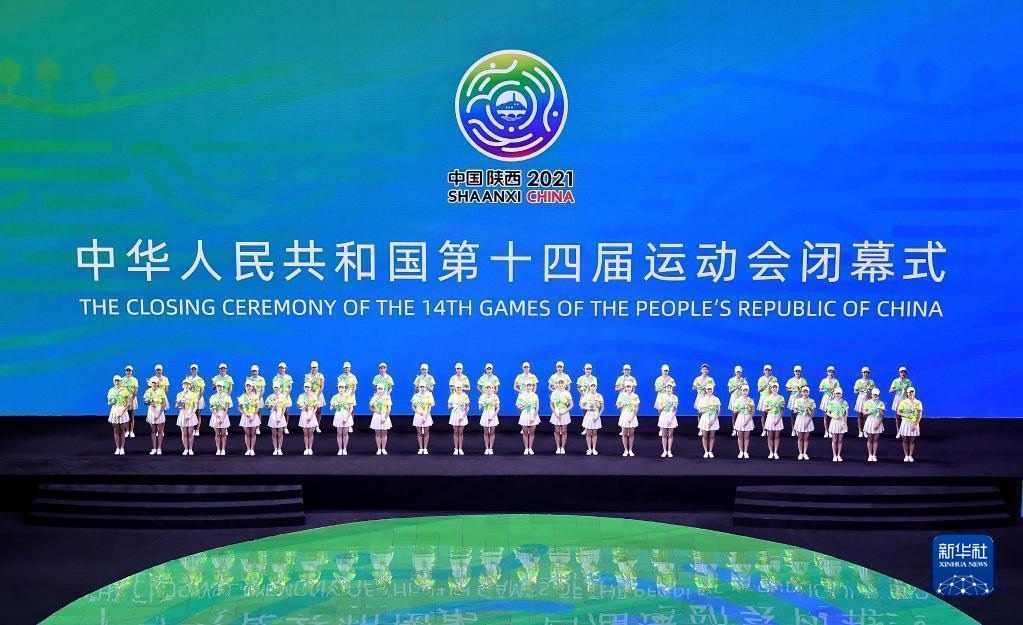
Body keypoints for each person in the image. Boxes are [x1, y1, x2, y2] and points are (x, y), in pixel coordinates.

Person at [142, 377, 168, 455]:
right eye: (153, 382)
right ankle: (154, 448)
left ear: (158, 383)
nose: (154, 384)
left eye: (155, 383)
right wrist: (149, 402)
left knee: (160, 430)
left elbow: (164, 404)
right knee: (153, 431)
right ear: (151, 383)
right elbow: (145, 402)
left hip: (159, 411)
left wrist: (159, 414)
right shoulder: (148, 391)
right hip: (151, 411)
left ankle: (159, 448)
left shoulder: (161, 391)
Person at [897, 387, 922, 462]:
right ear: (907, 393)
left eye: (912, 392)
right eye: (909, 392)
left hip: (914, 423)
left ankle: (910, 455)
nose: (911, 393)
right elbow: (898, 412)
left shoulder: (918, 402)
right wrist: (905, 415)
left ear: (914, 393)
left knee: (912, 441)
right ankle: (906, 455)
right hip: (905, 423)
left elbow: (919, 415)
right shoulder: (903, 402)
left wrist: (915, 424)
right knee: (905, 440)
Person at [106, 375, 130, 455]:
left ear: (121, 381)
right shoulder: (111, 390)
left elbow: (128, 403)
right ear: (113, 382)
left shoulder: (125, 390)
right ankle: (117, 448)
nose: (117, 382)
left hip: (122, 409)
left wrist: (122, 411)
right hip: (114, 410)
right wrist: (114, 399)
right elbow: (109, 403)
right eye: (115, 381)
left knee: (122, 429)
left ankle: (122, 448)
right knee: (116, 429)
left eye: (118, 380)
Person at [549, 378, 574, 454]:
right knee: (557, 431)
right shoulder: (554, 393)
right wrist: (555, 412)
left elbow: (571, 405)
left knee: (564, 431)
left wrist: (565, 411)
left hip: (564, 413)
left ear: (564, 384)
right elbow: (551, 404)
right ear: (557, 384)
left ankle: (562, 447)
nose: (560, 384)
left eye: (562, 383)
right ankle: (558, 447)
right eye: (559, 383)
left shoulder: (567, 393)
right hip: (556, 412)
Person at [266, 382, 291, 455]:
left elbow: (284, 408)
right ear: (273, 388)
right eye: (275, 387)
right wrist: (271, 406)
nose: (276, 389)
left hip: (280, 415)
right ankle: (275, 449)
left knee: (280, 433)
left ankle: (279, 449)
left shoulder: (283, 397)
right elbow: (267, 407)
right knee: (274, 433)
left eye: (277, 387)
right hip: (273, 414)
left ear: (279, 388)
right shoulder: (270, 397)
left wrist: (281, 416)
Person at [208, 381, 233, 456]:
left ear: (223, 388)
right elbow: (211, 408)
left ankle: (223, 449)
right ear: (216, 387)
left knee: (223, 434)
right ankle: (218, 449)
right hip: (215, 416)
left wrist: (222, 418)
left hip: (223, 415)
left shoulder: (227, 397)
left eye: (221, 386)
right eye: (218, 386)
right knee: (217, 434)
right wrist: (216, 415)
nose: (219, 388)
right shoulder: (212, 397)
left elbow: (227, 409)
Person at [330, 382, 355, 455]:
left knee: (345, 433)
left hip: (346, 415)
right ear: (337, 388)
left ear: (345, 388)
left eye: (342, 387)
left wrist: (346, 418)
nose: (341, 389)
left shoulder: (348, 396)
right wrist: (335, 405)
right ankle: (340, 449)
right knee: (339, 433)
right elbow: (331, 408)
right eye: (339, 387)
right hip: (338, 416)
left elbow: (351, 408)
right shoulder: (335, 397)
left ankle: (345, 449)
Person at [697, 384, 721, 458]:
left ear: (713, 390)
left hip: (713, 419)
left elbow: (718, 411)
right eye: (708, 389)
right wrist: (706, 410)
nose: (709, 390)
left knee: (712, 436)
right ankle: (705, 451)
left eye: (710, 389)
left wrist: (713, 420)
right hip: (705, 419)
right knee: (704, 436)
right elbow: (699, 411)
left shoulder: (716, 399)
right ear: (706, 390)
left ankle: (710, 451)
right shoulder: (702, 400)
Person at [792, 386, 816, 460]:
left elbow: (812, 413)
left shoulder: (811, 401)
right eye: (804, 392)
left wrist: (808, 421)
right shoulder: (797, 401)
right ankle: (800, 453)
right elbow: (795, 411)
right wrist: (800, 410)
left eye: (807, 392)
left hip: (808, 419)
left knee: (806, 438)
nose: (805, 393)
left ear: (808, 392)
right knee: (800, 438)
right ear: (801, 392)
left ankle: (805, 453)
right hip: (800, 419)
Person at [175, 380, 199, 455]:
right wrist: (179, 404)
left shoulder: (193, 395)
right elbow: (177, 405)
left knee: (190, 433)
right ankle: (185, 449)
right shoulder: (179, 394)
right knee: (184, 433)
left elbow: (195, 406)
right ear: (182, 386)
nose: (186, 386)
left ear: (190, 386)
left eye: (188, 384)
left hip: (191, 413)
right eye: (185, 384)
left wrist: (191, 414)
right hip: (182, 413)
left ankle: (190, 449)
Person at [762, 381, 785, 459]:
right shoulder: (768, 398)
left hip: (778, 417)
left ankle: (775, 452)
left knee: (777, 436)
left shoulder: (781, 398)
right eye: (773, 387)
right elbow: (765, 409)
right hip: (770, 417)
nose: (774, 389)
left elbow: (782, 410)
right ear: (771, 388)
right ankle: (771, 452)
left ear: (778, 388)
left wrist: (778, 419)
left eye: (776, 387)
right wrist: (770, 407)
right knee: (770, 436)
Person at [516, 381, 540, 454]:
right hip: (525, 414)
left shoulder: (535, 395)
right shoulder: (521, 395)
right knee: (525, 432)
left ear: (532, 387)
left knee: (532, 433)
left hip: (533, 414)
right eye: (527, 386)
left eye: (530, 386)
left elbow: (537, 408)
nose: (529, 387)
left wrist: (533, 417)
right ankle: (526, 448)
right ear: (525, 387)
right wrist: (523, 406)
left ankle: (530, 448)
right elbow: (517, 406)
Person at [238, 381, 261, 456]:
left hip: (253, 416)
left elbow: (257, 407)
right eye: (247, 386)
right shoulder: (242, 397)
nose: (248, 387)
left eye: (250, 386)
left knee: (253, 433)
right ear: (245, 387)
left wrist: (254, 415)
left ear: (252, 387)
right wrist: (245, 414)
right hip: (245, 416)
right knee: (247, 433)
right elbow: (239, 408)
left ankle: (252, 449)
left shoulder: (255, 396)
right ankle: (248, 449)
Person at [862, 388, 885, 462]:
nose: (875, 396)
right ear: (871, 395)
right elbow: (864, 412)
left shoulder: (881, 403)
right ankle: (870, 454)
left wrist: (878, 424)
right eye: (874, 394)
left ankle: (874, 455)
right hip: (870, 421)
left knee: (875, 440)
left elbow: (882, 415)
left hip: (878, 421)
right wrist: (871, 412)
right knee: (870, 439)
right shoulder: (867, 403)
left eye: (877, 395)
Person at [581, 382, 605, 456]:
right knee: (588, 433)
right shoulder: (586, 395)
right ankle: (589, 449)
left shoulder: (599, 396)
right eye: (591, 386)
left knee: (594, 434)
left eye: (594, 386)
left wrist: (598, 416)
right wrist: (588, 408)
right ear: (589, 387)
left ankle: (594, 448)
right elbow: (581, 406)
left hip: (596, 415)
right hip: (588, 415)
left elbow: (602, 407)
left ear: (596, 387)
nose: (593, 387)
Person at [826, 388, 850, 462]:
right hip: (834, 422)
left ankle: (839, 455)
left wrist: (844, 422)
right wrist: (833, 416)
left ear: (841, 394)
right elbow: (827, 413)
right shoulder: (831, 402)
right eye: (837, 393)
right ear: (834, 394)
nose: (838, 394)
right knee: (834, 439)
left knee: (840, 440)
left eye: (839, 393)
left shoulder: (844, 402)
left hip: (842, 422)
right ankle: (834, 455)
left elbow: (846, 414)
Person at [412, 382, 435, 454]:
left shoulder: (429, 396)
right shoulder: (415, 396)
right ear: (419, 388)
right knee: (419, 433)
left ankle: (425, 448)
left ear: (426, 388)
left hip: (426, 415)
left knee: (426, 432)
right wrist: (418, 412)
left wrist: (425, 417)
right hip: (418, 415)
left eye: (423, 387)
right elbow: (413, 406)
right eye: (421, 387)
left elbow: (429, 408)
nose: (422, 388)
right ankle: (420, 448)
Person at [852, 366, 875, 440]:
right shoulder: (858, 381)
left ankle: (865, 430)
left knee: (866, 416)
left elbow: (874, 392)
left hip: (868, 399)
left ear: (869, 373)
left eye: (867, 372)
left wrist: (869, 391)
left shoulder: (871, 382)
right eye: (864, 372)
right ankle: (860, 431)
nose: (865, 374)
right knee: (860, 415)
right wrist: (861, 391)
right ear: (862, 373)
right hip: (860, 399)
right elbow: (855, 391)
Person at [369, 383, 393, 455]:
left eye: (381, 389)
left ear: (384, 390)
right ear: (376, 389)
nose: (380, 390)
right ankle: (379, 449)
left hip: (385, 416)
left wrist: (385, 418)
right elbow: (370, 407)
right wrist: (377, 411)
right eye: (378, 389)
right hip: (376, 416)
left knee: (384, 433)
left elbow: (389, 409)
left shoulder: (387, 398)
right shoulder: (374, 398)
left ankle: (383, 448)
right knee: (378, 433)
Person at [889, 367, 913, 438]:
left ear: (906, 373)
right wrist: (898, 388)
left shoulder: (908, 381)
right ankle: (898, 432)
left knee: (904, 416)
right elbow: (890, 391)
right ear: (899, 373)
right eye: (901, 372)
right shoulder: (895, 381)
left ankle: (904, 431)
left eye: (904, 372)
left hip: (905, 399)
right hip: (898, 398)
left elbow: (911, 391)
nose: (903, 373)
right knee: (898, 416)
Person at [733, 385, 755, 459]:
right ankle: (741, 451)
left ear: (748, 391)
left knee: (746, 437)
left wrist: (747, 420)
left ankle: (745, 451)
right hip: (740, 418)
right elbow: (735, 411)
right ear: (741, 391)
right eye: (743, 390)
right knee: (740, 436)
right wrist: (740, 408)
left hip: (748, 418)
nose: (745, 392)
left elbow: (752, 411)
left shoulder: (750, 400)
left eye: (746, 390)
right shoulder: (737, 400)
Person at [654, 382, 675, 458]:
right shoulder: (661, 397)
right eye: (667, 388)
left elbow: (675, 409)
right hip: (663, 416)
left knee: (670, 435)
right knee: (664, 435)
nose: (668, 389)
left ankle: (669, 451)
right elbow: (659, 409)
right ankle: (664, 451)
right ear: (665, 389)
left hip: (671, 417)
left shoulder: (674, 397)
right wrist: (664, 406)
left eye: (670, 388)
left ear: (672, 389)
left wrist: (671, 418)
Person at [297, 382, 319, 455]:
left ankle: (310, 448)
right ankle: (306, 448)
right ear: (304, 388)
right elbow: (298, 405)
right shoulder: (301, 396)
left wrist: (311, 416)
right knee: (305, 433)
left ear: (311, 388)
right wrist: (302, 407)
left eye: (308, 387)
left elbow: (315, 408)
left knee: (311, 432)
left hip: (311, 414)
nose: (307, 388)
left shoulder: (314, 396)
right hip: (304, 414)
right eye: (306, 387)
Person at [785, 366, 808, 437]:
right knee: (793, 414)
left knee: (799, 414)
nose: (797, 372)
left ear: (800, 372)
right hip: (793, 398)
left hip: (801, 398)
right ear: (794, 372)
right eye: (796, 371)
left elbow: (806, 389)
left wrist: (801, 389)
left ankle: (798, 428)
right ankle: (793, 429)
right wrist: (792, 389)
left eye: (799, 371)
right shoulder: (790, 380)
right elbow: (787, 389)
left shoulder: (803, 380)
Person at [478, 383, 500, 455]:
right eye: (487, 388)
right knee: (486, 432)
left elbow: (498, 408)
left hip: (493, 415)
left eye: (490, 388)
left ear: (492, 389)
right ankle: (487, 448)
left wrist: (493, 416)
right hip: (485, 415)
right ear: (485, 389)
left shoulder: (495, 396)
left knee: (492, 432)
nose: (488, 389)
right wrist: (483, 404)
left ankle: (491, 448)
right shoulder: (482, 396)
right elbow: (479, 408)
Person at [448, 383, 470, 455]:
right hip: (454, 415)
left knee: (460, 432)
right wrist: (454, 405)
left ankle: (460, 448)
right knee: (455, 432)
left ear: (462, 388)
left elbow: (467, 407)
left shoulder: (465, 396)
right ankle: (456, 448)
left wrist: (463, 416)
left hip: (462, 415)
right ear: (455, 388)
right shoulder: (452, 396)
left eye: (460, 388)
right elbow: (449, 407)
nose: (458, 389)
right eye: (457, 388)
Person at [337, 361, 358, 435]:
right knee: (343, 409)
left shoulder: (353, 377)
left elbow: (354, 387)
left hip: (351, 394)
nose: (346, 369)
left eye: (348, 367)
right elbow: (339, 387)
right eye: (345, 367)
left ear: (350, 368)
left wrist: (350, 395)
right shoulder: (340, 377)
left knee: (351, 410)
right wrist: (342, 394)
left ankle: (350, 425)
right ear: (343, 368)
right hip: (343, 394)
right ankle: (343, 423)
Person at [305, 361, 326, 433]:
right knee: (311, 410)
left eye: (315, 367)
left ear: (317, 368)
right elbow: (305, 386)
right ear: (311, 367)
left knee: (318, 411)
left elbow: (322, 386)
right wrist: (308, 394)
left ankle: (317, 426)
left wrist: (317, 395)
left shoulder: (321, 376)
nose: (314, 368)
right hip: (310, 394)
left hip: (318, 394)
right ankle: (312, 425)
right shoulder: (307, 376)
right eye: (313, 367)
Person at [273, 362, 294, 434]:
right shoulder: (276, 377)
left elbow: (290, 387)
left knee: (286, 411)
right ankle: (278, 426)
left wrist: (286, 395)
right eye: (280, 368)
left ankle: (285, 427)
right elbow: (274, 387)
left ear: (285, 369)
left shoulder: (289, 377)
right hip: (278, 395)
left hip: (286, 395)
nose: (282, 369)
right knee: (278, 411)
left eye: (283, 368)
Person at [185, 364, 206, 438]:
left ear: (197, 370)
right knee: (191, 413)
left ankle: (197, 430)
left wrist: (198, 399)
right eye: (192, 369)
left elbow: (202, 390)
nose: (193, 370)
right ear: (190, 370)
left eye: (195, 369)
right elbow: (186, 388)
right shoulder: (188, 378)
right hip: (190, 397)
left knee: (198, 413)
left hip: (198, 397)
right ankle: (192, 429)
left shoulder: (200, 379)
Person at [756, 364, 777, 436]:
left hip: (771, 398)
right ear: (763, 371)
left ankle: (769, 429)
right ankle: (764, 429)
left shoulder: (774, 379)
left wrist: (771, 385)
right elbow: (759, 390)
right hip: (764, 397)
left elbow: (776, 389)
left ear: (771, 371)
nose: (767, 371)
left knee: (771, 414)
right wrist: (766, 384)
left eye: (769, 370)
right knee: (764, 414)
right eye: (766, 370)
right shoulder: (761, 379)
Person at [818, 366, 839, 438]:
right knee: (826, 415)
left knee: (832, 416)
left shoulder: (836, 381)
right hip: (826, 398)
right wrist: (826, 390)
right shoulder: (824, 380)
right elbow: (820, 389)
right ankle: (826, 431)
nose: (830, 373)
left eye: (832, 372)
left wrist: (834, 395)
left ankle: (831, 431)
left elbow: (838, 390)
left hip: (833, 398)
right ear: (827, 372)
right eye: (829, 372)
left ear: (834, 373)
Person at [727, 366, 747, 437]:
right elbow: (730, 391)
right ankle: (734, 429)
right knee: (734, 413)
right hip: (734, 397)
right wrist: (736, 387)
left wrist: (742, 387)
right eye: (737, 372)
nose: (738, 373)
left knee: (741, 414)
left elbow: (746, 390)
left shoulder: (744, 381)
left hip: (741, 398)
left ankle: (740, 429)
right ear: (735, 372)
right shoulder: (731, 380)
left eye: (739, 372)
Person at [245, 365, 266, 433]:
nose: (254, 372)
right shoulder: (248, 379)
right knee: (251, 411)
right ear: (251, 372)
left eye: (255, 371)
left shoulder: (261, 379)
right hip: (251, 396)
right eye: (253, 371)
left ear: (258, 371)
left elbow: (263, 390)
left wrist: (259, 398)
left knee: (258, 412)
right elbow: (246, 389)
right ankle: (251, 425)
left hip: (259, 396)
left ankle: (258, 428)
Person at [122, 365, 139, 439]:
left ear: (132, 372)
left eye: (130, 370)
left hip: (132, 397)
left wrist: (132, 399)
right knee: (125, 415)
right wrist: (124, 399)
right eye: (127, 370)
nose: (128, 372)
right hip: (124, 398)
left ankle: (132, 431)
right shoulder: (122, 379)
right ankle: (127, 431)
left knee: (132, 415)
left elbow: (136, 391)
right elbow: (121, 390)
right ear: (125, 371)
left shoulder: (135, 380)